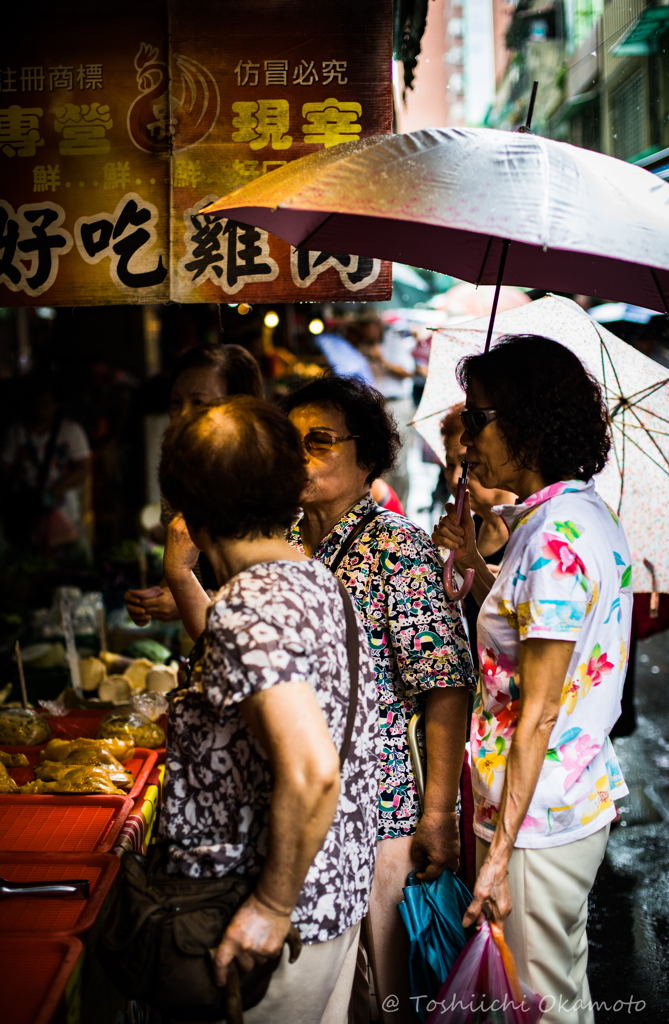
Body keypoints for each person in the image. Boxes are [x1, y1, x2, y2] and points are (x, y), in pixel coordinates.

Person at [157, 397, 379, 1024]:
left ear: (189, 511)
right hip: (329, 895)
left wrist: (271, 907)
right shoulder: (313, 578)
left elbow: (313, 770)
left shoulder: (247, 607)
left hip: (273, 923)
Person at [433, 335, 633, 1024]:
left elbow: (539, 711)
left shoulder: (550, 537)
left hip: (537, 816)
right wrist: (478, 571)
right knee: (553, 992)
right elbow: (536, 639)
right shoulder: (568, 515)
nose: (465, 442)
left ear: (527, 423)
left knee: (538, 1005)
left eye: (479, 416)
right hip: (557, 801)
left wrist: (498, 856)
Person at [281, 375, 474, 1024]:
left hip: (378, 813)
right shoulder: (280, 543)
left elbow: (445, 685)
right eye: (289, 442)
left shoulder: (395, 550)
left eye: (319, 442)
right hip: (296, 810)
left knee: (380, 991)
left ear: (366, 457)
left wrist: (438, 816)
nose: (298, 456)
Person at [124, 343, 263, 626]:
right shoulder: (178, 477)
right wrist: (161, 594)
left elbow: (274, 591)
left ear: (241, 406)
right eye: (176, 402)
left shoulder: (266, 480)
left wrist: (190, 594)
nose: (182, 416)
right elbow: (188, 564)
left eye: (199, 403)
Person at [440, 402, 516, 674]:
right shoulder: (471, 528)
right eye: (449, 465)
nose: (454, 477)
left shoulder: (526, 531)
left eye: (464, 462)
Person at [1, 374, 91, 556]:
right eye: (37, 402)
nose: (42, 408)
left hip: (63, 506)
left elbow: (83, 468)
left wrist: (56, 489)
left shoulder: (71, 431)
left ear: (56, 405)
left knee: (67, 552)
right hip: (26, 508)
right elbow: (4, 468)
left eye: (47, 403)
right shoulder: (16, 432)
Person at [347, 314, 416, 509]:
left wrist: (383, 360)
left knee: (397, 459)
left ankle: (400, 506)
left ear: (375, 325)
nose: (364, 330)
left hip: (398, 403)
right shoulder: (363, 347)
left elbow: (409, 370)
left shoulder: (393, 342)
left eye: (366, 325)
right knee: (383, 457)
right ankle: (386, 505)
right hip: (378, 405)